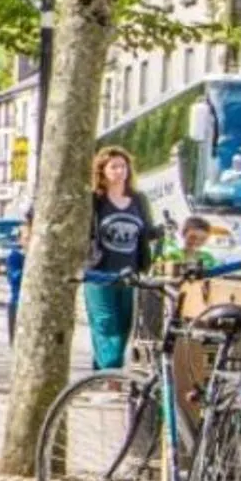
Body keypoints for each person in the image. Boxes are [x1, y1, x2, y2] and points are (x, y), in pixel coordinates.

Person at [81, 146, 154, 371]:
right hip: (100, 273)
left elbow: (146, 232)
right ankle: (111, 376)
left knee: (123, 327)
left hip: (129, 273)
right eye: (114, 167)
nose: (120, 171)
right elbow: (84, 233)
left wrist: (160, 234)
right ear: (102, 171)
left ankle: (99, 377)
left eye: (123, 166)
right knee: (105, 324)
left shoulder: (138, 200)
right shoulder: (95, 200)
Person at [4, 214, 30, 341]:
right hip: (18, 303)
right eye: (27, 238)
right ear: (20, 240)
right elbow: (13, 278)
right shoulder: (15, 256)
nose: (29, 242)